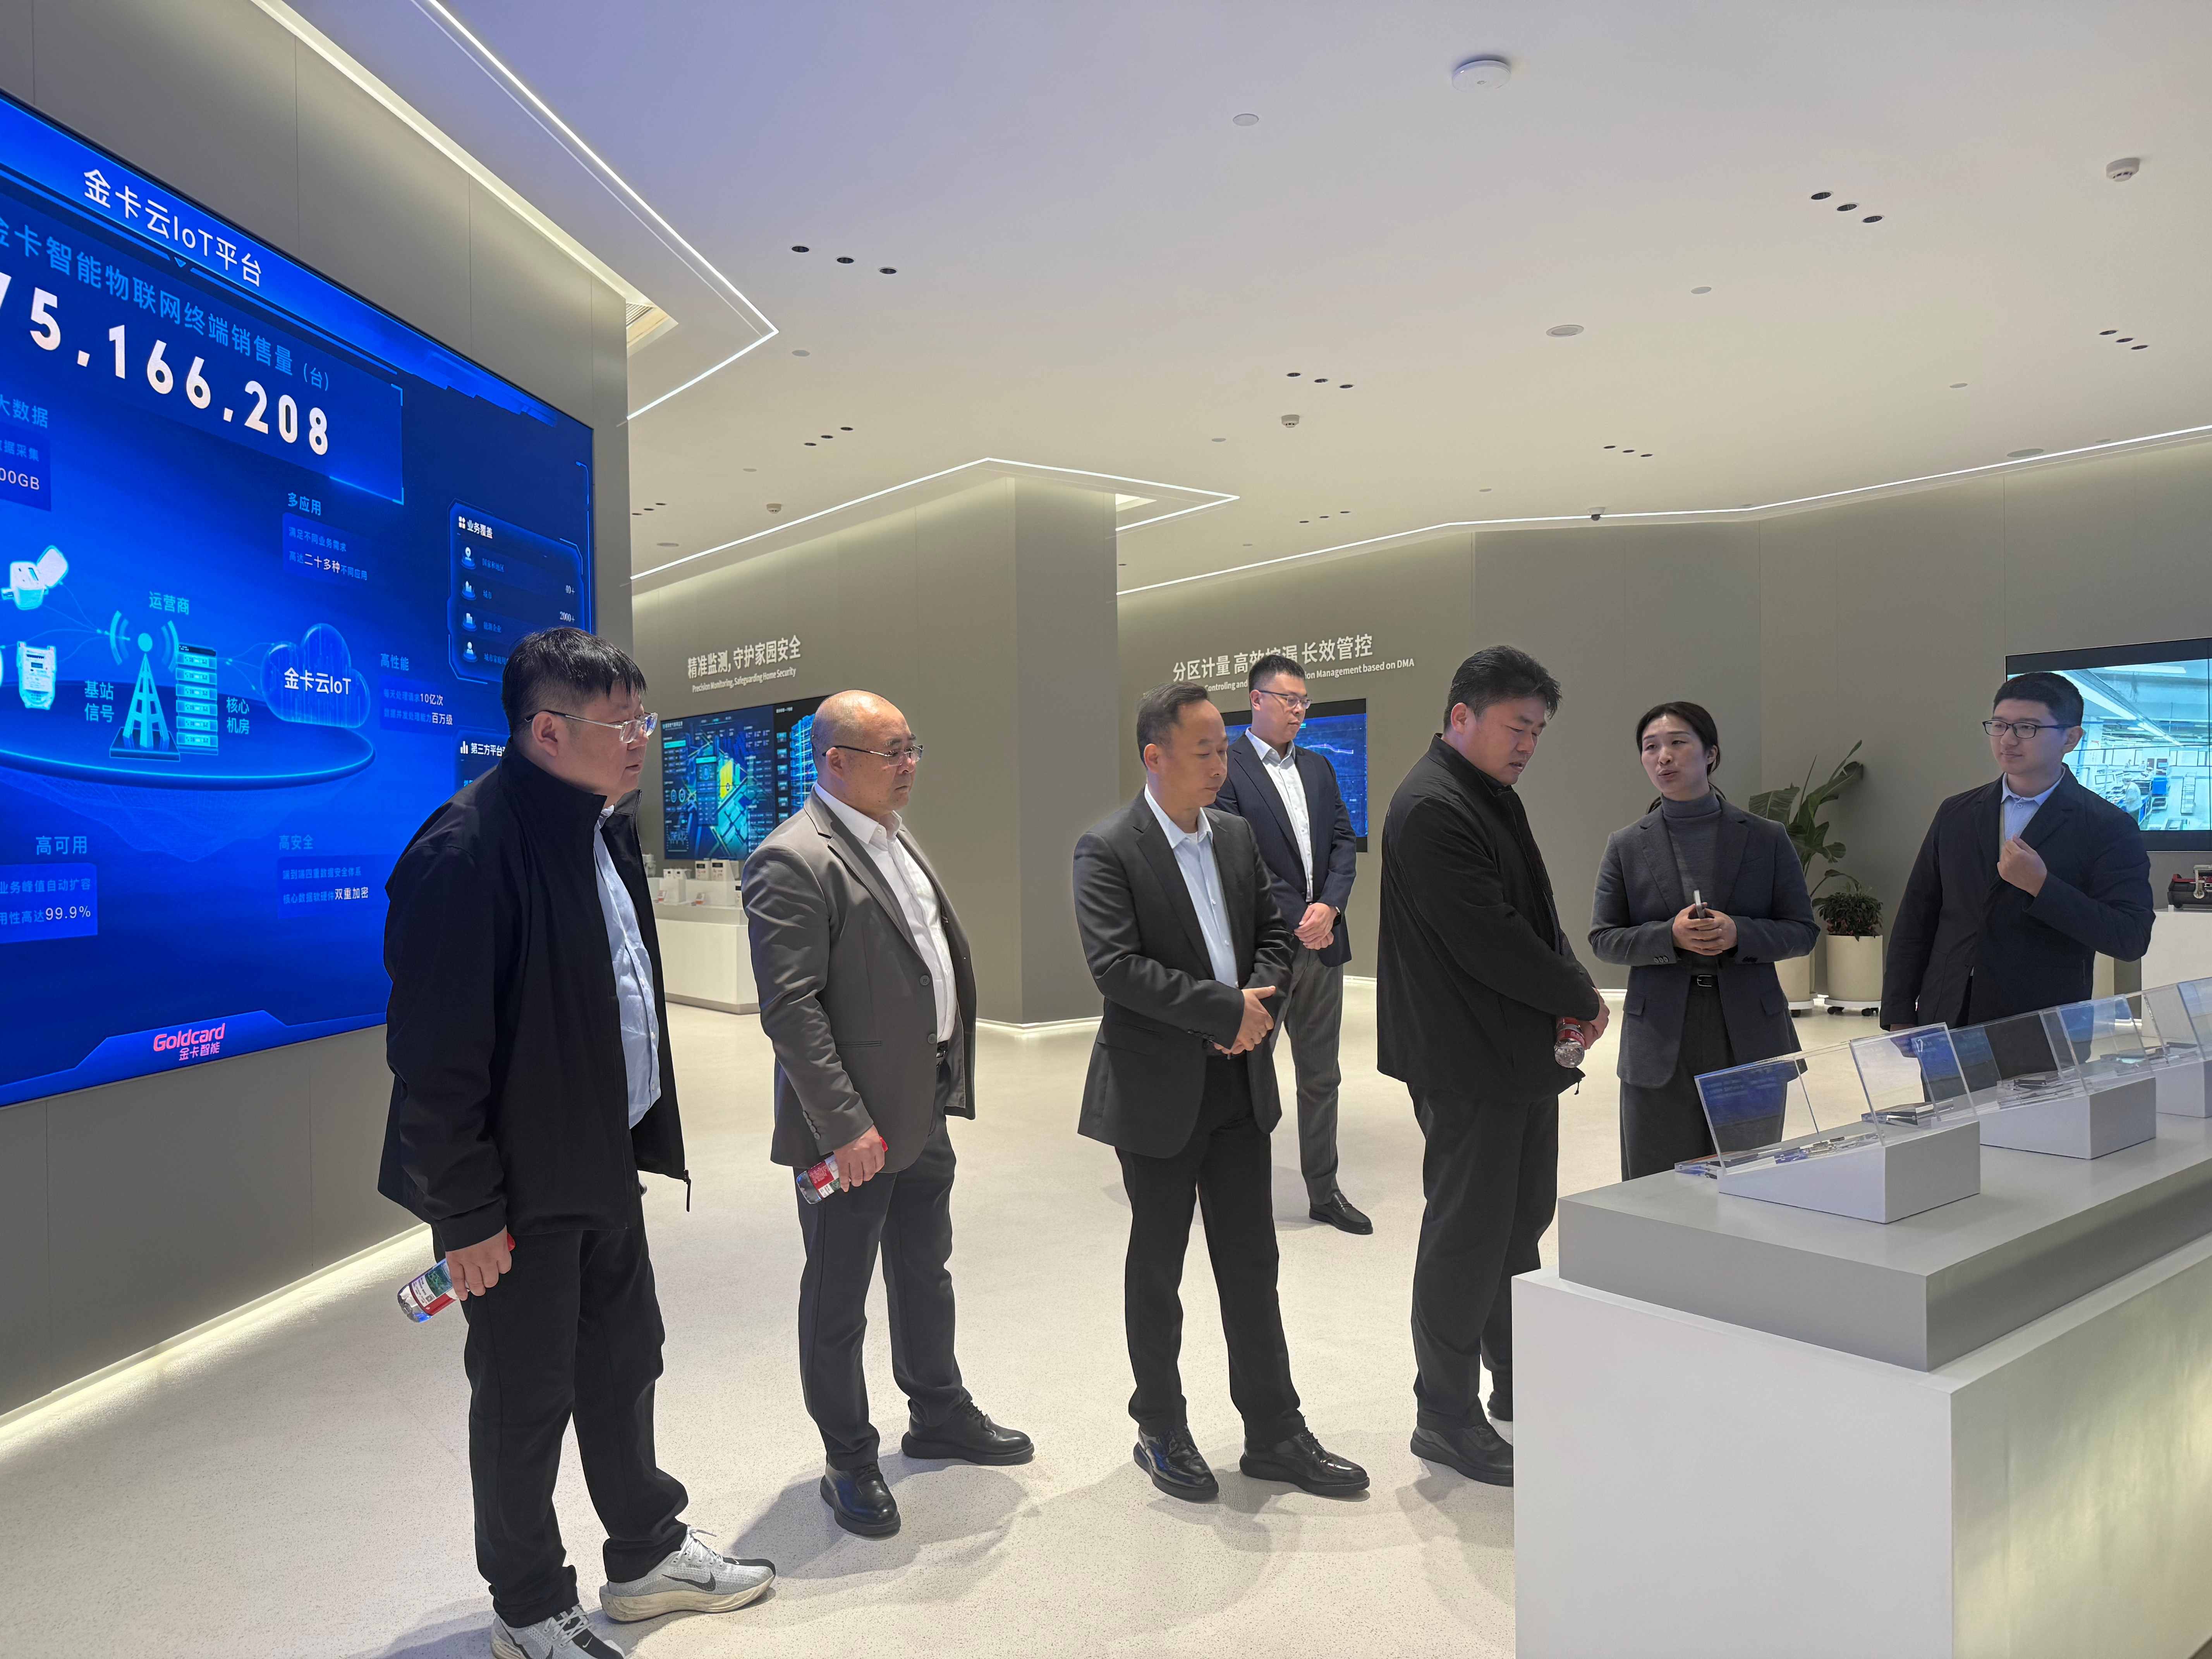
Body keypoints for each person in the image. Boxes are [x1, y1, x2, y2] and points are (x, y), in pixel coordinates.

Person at [379, 627, 771, 1659]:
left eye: (645, 719)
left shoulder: (600, 828)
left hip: (601, 1157)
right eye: (622, 723)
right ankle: (526, 1605)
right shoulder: (464, 853)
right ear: (547, 731)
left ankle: (645, 1553)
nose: (643, 739)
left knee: (625, 1359)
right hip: (516, 1192)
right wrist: (466, 1215)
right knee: (525, 1398)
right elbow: (434, 1065)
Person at [742, 690, 1031, 1540]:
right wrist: (844, 1126)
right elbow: (792, 1009)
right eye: (891, 752)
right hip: (852, 1129)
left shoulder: (891, 836)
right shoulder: (793, 858)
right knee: (838, 1294)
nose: (909, 766)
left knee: (923, 1266)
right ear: (834, 761)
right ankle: (849, 1457)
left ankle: (937, 1409)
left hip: (922, 1102)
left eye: (912, 748)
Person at [1072, 682, 1369, 1502]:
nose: (1220, 764)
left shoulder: (1234, 836)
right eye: (1204, 750)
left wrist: (1256, 1005)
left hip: (1239, 1083)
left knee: (1251, 1262)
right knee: (1158, 1266)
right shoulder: (1109, 849)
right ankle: (1160, 1426)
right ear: (1155, 756)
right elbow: (1116, 967)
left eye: (1221, 747)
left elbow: (1274, 933)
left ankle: (1274, 1431)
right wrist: (1222, 1010)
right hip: (1157, 1092)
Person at [1375, 646, 1607, 1489]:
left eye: (1537, 731)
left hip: (1513, 1053)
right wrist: (1578, 992)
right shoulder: (1432, 806)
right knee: (1468, 1234)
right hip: (1465, 1057)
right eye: (1517, 727)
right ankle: (1442, 1413)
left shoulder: (1486, 794)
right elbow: (1488, 936)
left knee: (1516, 1225)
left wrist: (1570, 985)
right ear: (1461, 715)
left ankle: (1516, 1379)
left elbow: (1533, 914)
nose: (1527, 745)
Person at [1589, 702, 1818, 1179]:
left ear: (1711, 753)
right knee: (1656, 1185)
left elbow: (1802, 931)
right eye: (1651, 747)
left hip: (1749, 1030)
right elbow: (1604, 939)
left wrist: (1740, 933)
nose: (1663, 757)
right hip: (1659, 1036)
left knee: (1748, 1179)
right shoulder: (1626, 845)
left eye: (1678, 743)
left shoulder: (1766, 838)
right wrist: (1668, 937)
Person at [1882, 671, 2155, 1032]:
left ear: (2071, 738)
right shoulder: (1957, 813)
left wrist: (2043, 887)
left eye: (2028, 728)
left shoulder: (2107, 826)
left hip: (2044, 1026)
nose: (2007, 740)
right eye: (1999, 726)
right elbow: (1917, 916)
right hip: (1947, 1014)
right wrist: (1899, 1012)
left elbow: (2130, 937)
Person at [1212, 653, 1367, 1234]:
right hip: (1265, 948)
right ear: (1257, 700)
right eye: (1289, 699)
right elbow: (1238, 856)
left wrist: (1331, 906)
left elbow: (1344, 843)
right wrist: (1300, 916)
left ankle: (1324, 1191)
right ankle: (1239, 1193)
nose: (1299, 710)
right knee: (1249, 1075)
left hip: (1324, 944)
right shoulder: (1227, 769)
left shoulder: (1320, 767)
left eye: (1304, 701)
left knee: (1322, 1075)